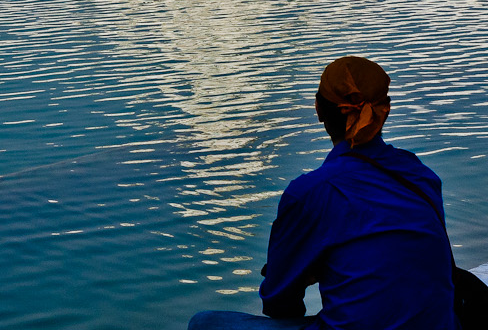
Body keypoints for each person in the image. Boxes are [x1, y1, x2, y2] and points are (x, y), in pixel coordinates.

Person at [188, 56, 459, 330]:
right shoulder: (420, 174)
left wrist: (305, 272)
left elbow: (279, 303)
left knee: (204, 322)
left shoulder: (311, 192)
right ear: (384, 111)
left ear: (318, 109)